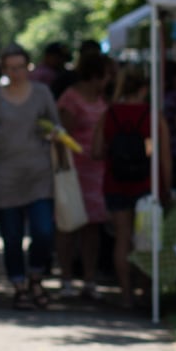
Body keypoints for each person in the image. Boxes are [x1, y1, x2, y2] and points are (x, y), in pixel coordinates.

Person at [0, 44, 62, 310]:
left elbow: (57, 127)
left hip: (39, 175)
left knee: (44, 231)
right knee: (11, 237)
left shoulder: (42, 93)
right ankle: (19, 285)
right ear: (3, 69)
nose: (16, 73)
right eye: (10, 68)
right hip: (3, 176)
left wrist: (52, 134)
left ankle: (36, 277)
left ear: (28, 67)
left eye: (20, 67)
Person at [92, 64, 172, 310]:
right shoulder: (152, 115)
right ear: (144, 88)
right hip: (146, 184)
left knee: (123, 239)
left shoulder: (110, 113)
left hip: (115, 182)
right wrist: (166, 188)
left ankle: (126, 294)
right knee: (146, 239)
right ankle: (143, 291)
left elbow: (95, 151)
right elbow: (162, 156)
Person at [56, 51, 111, 301]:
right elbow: (62, 135)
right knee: (68, 224)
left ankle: (89, 279)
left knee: (92, 227)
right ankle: (66, 278)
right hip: (74, 169)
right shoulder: (71, 98)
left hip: (97, 170)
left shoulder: (102, 97)